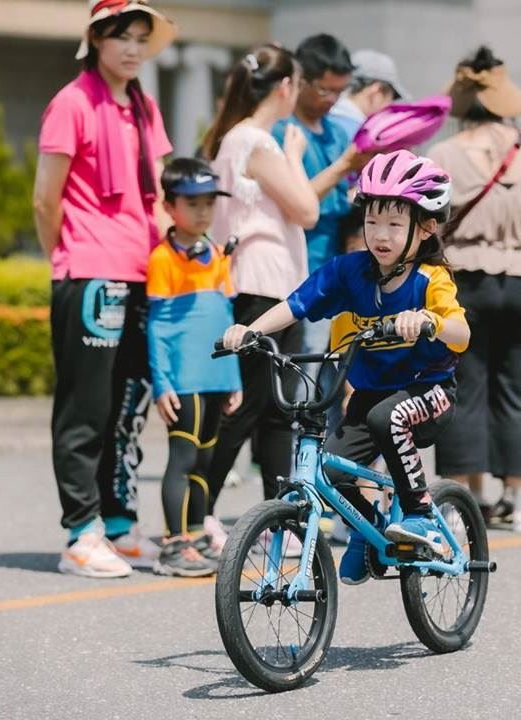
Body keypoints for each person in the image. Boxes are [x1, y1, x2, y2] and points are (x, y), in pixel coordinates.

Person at [219, 149, 469, 586]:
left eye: (394, 223)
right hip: (373, 394)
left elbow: (461, 333)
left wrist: (429, 321)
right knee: (329, 467)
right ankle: (367, 532)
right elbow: (297, 304)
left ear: (426, 227)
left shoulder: (431, 279)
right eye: (372, 222)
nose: (380, 234)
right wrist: (250, 331)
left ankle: (422, 515)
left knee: (385, 417)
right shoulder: (350, 271)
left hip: (429, 392)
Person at [33, 0, 175, 578]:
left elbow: (160, 196)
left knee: (126, 408)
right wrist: (67, 256)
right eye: (123, 36)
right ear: (96, 40)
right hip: (89, 272)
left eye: (142, 38)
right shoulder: (71, 103)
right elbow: (47, 198)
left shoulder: (143, 106)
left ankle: (117, 524)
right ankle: (80, 533)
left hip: (143, 271)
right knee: (85, 409)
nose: (134, 48)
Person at [430, 47, 521, 534]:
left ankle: (463, 501)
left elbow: (429, 225)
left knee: (463, 390)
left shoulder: (444, 156)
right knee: (517, 392)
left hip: (466, 280)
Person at [200, 44, 317, 516]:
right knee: (252, 407)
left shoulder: (233, 137)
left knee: (271, 409)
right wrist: (294, 156)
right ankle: (197, 515)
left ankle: (278, 516)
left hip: (259, 281)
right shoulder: (258, 142)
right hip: (265, 283)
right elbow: (306, 211)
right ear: (286, 87)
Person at [146, 158, 243, 576]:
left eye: (209, 203)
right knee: (182, 459)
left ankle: (197, 536)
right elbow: (158, 327)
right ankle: (173, 545)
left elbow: (226, 319)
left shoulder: (218, 255)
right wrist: (162, 383)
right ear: (169, 207)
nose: (203, 212)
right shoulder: (162, 259)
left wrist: (235, 376)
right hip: (184, 380)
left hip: (217, 375)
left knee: (206, 463)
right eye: (192, 203)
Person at [271, 34, 372, 412]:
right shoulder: (283, 132)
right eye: (326, 90)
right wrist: (344, 166)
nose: (332, 101)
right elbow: (296, 205)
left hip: (342, 270)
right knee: (307, 369)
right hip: (302, 270)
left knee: (341, 369)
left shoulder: (336, 131)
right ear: (301, 80)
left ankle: (330, 464)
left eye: (340, 92)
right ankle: (299, 456)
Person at [329, 49, 408, 138]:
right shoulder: (360, 134)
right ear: (376, 90)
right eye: (392, 97)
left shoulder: (324, 119)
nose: (390, 104)